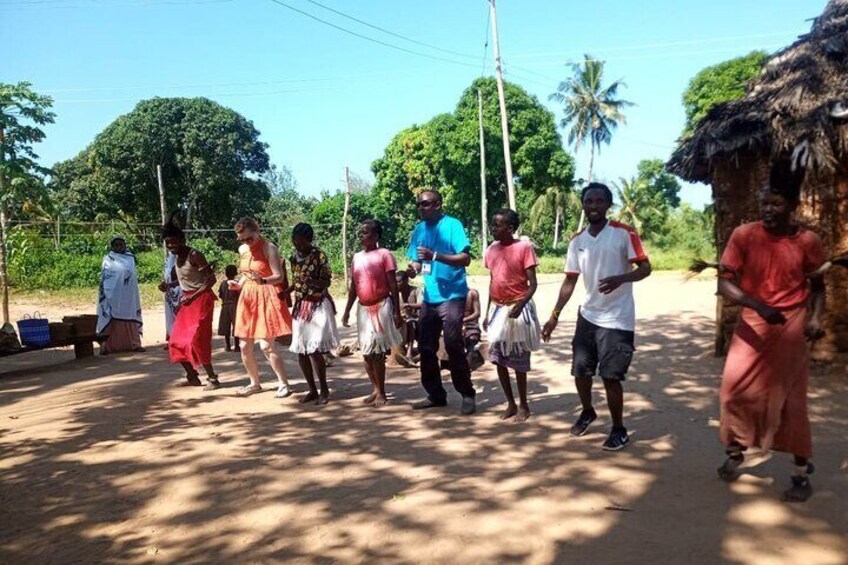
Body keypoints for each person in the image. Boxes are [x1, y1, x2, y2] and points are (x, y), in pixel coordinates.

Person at [714, 183, 825, 503]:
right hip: (752, 324)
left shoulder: (808, 241)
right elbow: (724, 282)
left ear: (792, 205)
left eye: (776, 203)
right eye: (764, 203)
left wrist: (815, 318)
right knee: (733, 393)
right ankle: (736, 452)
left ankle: (800, 472)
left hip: (790, 328)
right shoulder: (744, 235)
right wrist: (757, 305)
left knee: (791, 403)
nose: (768, 210)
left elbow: (818, 285)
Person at [542, 183, 652, 450]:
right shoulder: (577, 241)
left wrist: (621, 279)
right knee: (581, 371)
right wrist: (554, 315)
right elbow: (570, 281)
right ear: (583, 204)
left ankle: (618, 428)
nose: (593, 206)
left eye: (598, 201)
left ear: (608, 205)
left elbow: (646, 267)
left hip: (618, 318)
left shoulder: (624, 234)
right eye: (588, 201)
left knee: (611, 376)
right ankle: (588, 411)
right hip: (588, 315)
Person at [406, 190, 477, 415]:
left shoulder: (453, 225)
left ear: (437, 204)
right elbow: (418, 262)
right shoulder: (419, 230)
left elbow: (465, 259)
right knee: (426, 347)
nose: (421, 208)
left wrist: (435, 255)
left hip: (453, 295)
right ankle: (436, 395)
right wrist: (411, 269)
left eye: (425, 204)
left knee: (454, 343)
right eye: (419, 205)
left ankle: (467, 393)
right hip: (430, 297)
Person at [483, 209, 541, 422]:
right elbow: (493, 280)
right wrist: (488, 311)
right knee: (498, 359)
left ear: (509, 228)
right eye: (492, 224)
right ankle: (510, 403)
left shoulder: (524, 248)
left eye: (497, 225)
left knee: (518, 359)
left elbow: (533, 284)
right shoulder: (491, 250)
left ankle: (524, 405)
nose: (493, 228)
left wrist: (520, 305)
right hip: (498, 308)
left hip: (518, 308)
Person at [342, 220, 405, 406]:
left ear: (376, 236)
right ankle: (375, 388)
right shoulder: (356, 258)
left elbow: (393, 284)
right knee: (366, 352)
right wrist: (347, 310)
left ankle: (382, 393)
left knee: (377, 352)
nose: (361, 236)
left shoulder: (384, 255)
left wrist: (396, 311)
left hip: (381, 306)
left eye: (365, 233)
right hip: (363, 308)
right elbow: (354, 286)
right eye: (360, 233)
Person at [230, 218, 294, 398]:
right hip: (248, 297)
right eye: (242, 240)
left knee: (267, 345)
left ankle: (283, 383)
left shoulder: (269, 248)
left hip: (267, 295)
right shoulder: (243, 250)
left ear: (257, 231)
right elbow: (245, 274)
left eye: (249, 238)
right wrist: (237, 284)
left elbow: (279, 277)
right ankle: (254, 383)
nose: (246, 243)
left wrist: (263, 280)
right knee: (244, 345)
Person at [161, 217, 221, 390]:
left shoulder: (194, 254)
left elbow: (211, 280)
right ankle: (192, 376)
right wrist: (169, 285)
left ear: (182, 240)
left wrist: (193, 296)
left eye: (173, 243)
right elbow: (186, 280)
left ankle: (213, 378)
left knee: (198, 340)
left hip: (201, 300)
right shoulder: (174, 258)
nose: (171, 247)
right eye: (168, 244)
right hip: (187, 301)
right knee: (176, 341)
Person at [288, 223, 339, 405]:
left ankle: (324, 389)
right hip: (300, 306)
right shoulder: (293, 257)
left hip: (317, 305)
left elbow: (326, 281)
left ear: (309, 240)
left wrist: (314, 282)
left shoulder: (319, 256)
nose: (297, 245)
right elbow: (296, 279)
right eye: (295, 241)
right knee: (301, 350)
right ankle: (312, 390)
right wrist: (288, 291)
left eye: (301, 242)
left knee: (314, 350)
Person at [97, 237, 144, 354]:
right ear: (112, 247)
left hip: (128, 295)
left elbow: (131, 277)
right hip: (111, 294)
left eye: (121, 244)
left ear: (125, 245)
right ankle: (106, 346)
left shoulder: (130, 258)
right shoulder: (108, 259)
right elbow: (105, 277)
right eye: (116, 245)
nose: (119, 247)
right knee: (109, 314)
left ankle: (134, 344)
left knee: (130, 314)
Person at [218, 264, 241, 353]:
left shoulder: (223, 283)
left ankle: (227, 345)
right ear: (235, 273)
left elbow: (220, 295)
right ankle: (237, 346)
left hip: (225, 306)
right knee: (236, 326)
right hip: (235, 306)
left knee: (226, 326)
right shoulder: (236, 283)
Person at [163, 250, 182, 347]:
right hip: (170, 292)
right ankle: (172, 339)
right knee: (170, 317)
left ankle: (180, 340)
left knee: (181, 317)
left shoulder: (184, 258)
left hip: (182, 291)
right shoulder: (168, 259)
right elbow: (167, 275)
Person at [463, 288, 483, 370]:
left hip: (471, 326)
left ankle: (466, 370)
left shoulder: (472, 293)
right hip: (455, 324)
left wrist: (463, 321)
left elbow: (477, 313)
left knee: (471, 340)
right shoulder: (451, 294)